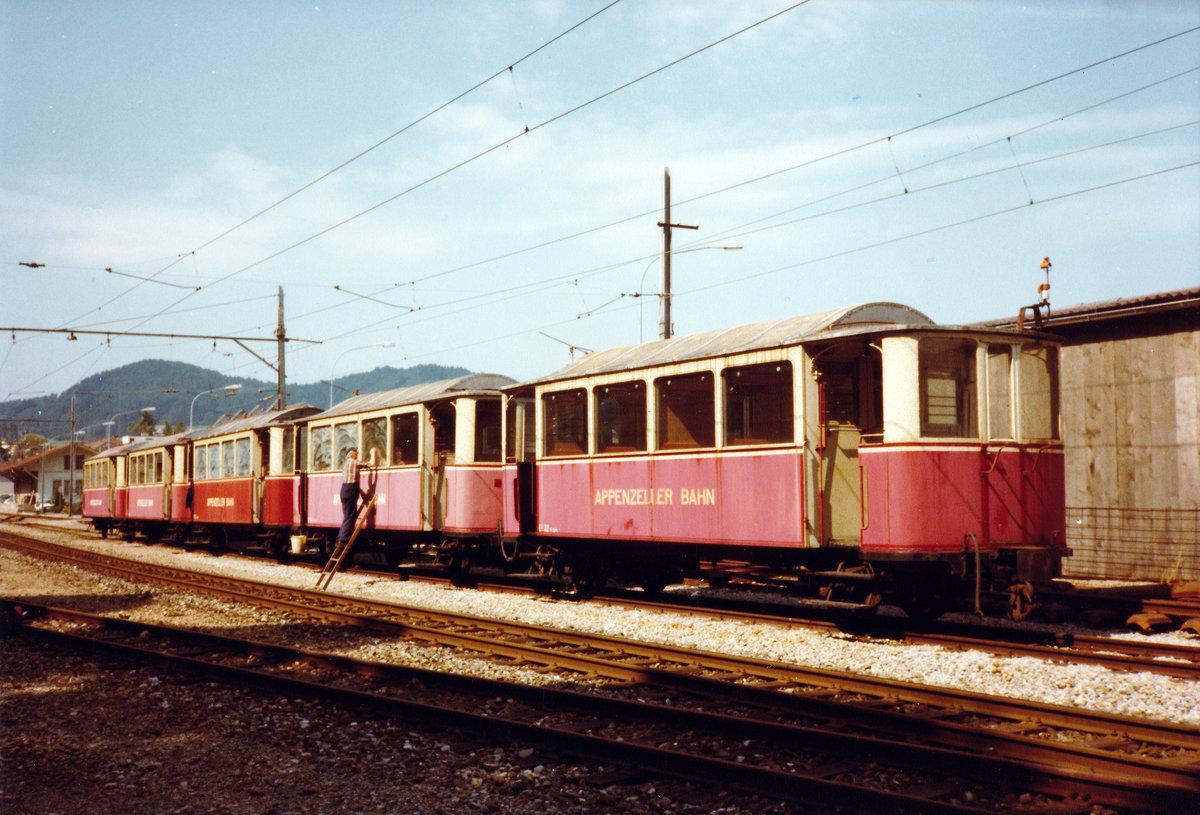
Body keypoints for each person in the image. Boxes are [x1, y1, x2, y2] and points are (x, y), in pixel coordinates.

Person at [337, 446, 376, 546]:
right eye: (355, 452)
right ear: (350, 454)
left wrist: (361, 493)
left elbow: (351, 480)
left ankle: (341, 537)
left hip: (344, 489)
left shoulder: (345, 464)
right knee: (350, 516)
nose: (357, 453)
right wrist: (373, 453)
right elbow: (372, 464)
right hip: (351, 490)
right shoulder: (354, 462)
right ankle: (343, 539)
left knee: (348, 515)